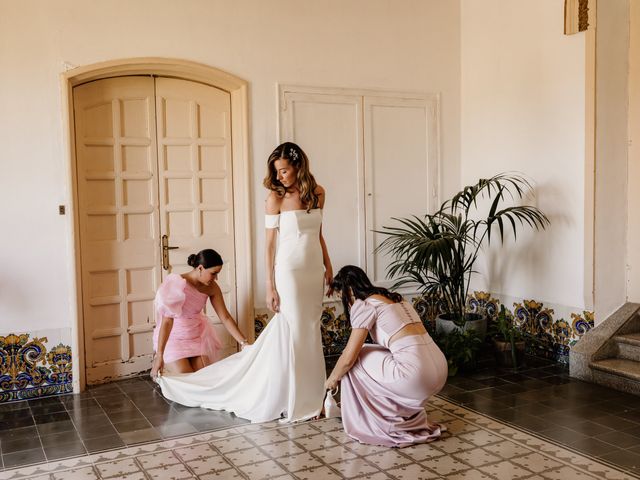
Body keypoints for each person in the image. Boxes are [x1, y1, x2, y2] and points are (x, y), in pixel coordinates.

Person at [155, 142, 332, 423]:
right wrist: (270, 285)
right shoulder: (275, 198)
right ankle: (295, 400)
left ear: (299, 166)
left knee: (310, 331)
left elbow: (319, 234)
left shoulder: (318, 193)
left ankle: (314, 396)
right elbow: (269, 246)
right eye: (277, 172)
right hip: (289, 271)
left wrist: (328, 269)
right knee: (296, 331)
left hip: (312, 271)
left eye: (284, 171)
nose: (280, 177)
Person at [325, 265, 448, 447]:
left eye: (341, 297)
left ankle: (373, 418)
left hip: (416, 375)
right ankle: (390, 412)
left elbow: (349, 357)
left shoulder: (364, 304)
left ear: (349, 290)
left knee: (353, 357)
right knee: (365, 350)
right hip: (439, 369)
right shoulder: (396, 299)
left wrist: (331, 381)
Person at [151, 249, 250, 379]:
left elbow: (225, 317)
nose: (216, 278)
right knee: (187, 380)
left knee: (203, 378)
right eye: (213, 273)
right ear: (200, 268)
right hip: (174, 339)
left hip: (195, 337)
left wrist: (244, 343)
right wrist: (160, 355)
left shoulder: (212, 287)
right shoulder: (176, 283)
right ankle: (161, 361)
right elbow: (167, 321)